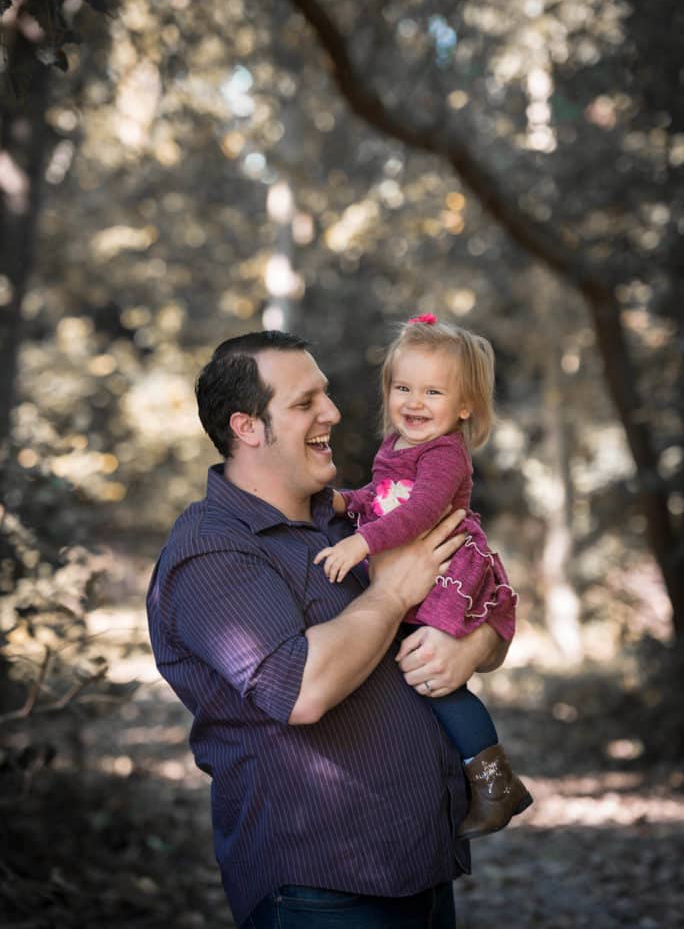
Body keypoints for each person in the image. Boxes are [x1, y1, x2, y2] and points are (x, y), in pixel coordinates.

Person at [146, 329, 512, 929]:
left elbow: (476, 604)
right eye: (304, 402)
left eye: (327, 394)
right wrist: (394, 591)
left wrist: (471, 646)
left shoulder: (357, 521)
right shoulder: (212, 551)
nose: (334, 413)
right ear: (247, 428)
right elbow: (300, 691)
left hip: (420, 868)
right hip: (322, 889)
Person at [315, 314, 532, 840]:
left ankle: (493, 778)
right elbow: (383, 495)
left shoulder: (445, 453)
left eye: (433, 391)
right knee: (413, 669)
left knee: (432, 675)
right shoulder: (397, 447)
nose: (414, 402)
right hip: (417, 570)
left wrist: (362, 539)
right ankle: (476, 777)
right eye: (403, 387)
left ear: (463, 408)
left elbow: (421, 510)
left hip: (448, 573)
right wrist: (347, 502)